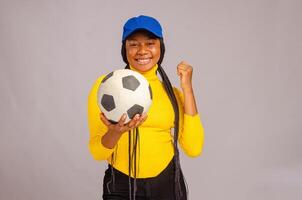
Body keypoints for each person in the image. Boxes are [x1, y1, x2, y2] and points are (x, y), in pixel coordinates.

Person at [88, 15, 205, 200]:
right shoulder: (105, 88)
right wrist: (116, 132)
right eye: (134, 44)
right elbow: (97, 152)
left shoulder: (172, 94)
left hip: (168, 184)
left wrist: (187, 89)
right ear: (124, 49)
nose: (142, 51)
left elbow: (194, 148)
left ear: (161, 47)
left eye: (150, 43)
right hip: (121, 184)